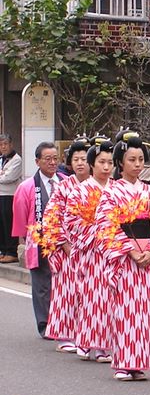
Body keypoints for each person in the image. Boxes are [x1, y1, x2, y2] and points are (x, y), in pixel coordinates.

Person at [94, 132, 150, 381]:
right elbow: (105, 225)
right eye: (132, 159)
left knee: (143, 312)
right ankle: (123, 362)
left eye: (141, 159)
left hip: (147, 256)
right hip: (125, 258)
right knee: (124, 311)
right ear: (120, 163)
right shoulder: (112, 193)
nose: (137, 164)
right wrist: (131, 250)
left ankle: (139, 362)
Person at [66, 138, 115, 363]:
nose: (106, 167)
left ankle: (103, 343)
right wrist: (97, 230)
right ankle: (87, 341)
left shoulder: (117, 188)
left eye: (110, 163)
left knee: (109, 299)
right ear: (92, 164)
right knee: (90, 297)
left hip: (112, 252)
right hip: (90, 251)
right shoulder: (81, 190)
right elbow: (71, 220)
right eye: (101, 162)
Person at [42, 138, 91, 352]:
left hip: (91, 249)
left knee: (89, 294)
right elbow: (51, 217)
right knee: (67, 292)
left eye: (84, 159)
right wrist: (63, 243)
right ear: (69, 162)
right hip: (68, 248)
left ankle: (86, 334)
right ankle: (65, 334)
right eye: (76, 159)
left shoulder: (99, 186)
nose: (80, 163)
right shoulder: (64, 187)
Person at [12, 141, 66, 337]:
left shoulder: (65, 181)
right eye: (47, 159)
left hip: (63, 242)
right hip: (40, 240)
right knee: (42, 285)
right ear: (37, 161)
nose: (52, 162)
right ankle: (45, 324)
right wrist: (27, 240)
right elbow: (20, 215)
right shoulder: (27, 187)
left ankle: (62, 321)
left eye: (55, 158)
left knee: (62, 283)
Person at [0, 134, 22, 263]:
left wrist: (3, 175)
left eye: (5, 144)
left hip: (11, 195)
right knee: (1, 225)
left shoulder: (16, 159)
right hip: (1, 195)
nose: (3, 147)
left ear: (11, 144)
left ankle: (12, 251)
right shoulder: (1, 159)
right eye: (1, 144)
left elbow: (9, 178)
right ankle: (3, 250)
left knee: (9, 224)